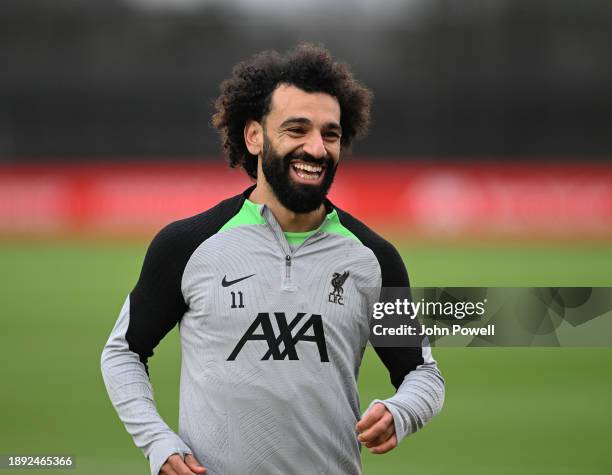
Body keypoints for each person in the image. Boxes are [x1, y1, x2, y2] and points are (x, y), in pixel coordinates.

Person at [101, 43, 444, 475]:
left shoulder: (375, 259)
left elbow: (423, 375)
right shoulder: (188, 244)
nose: (316, 149)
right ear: (254, 136)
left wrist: (401, 410)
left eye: (330, 134)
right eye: (296, 130)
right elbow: (124, 352)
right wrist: (157, 441)